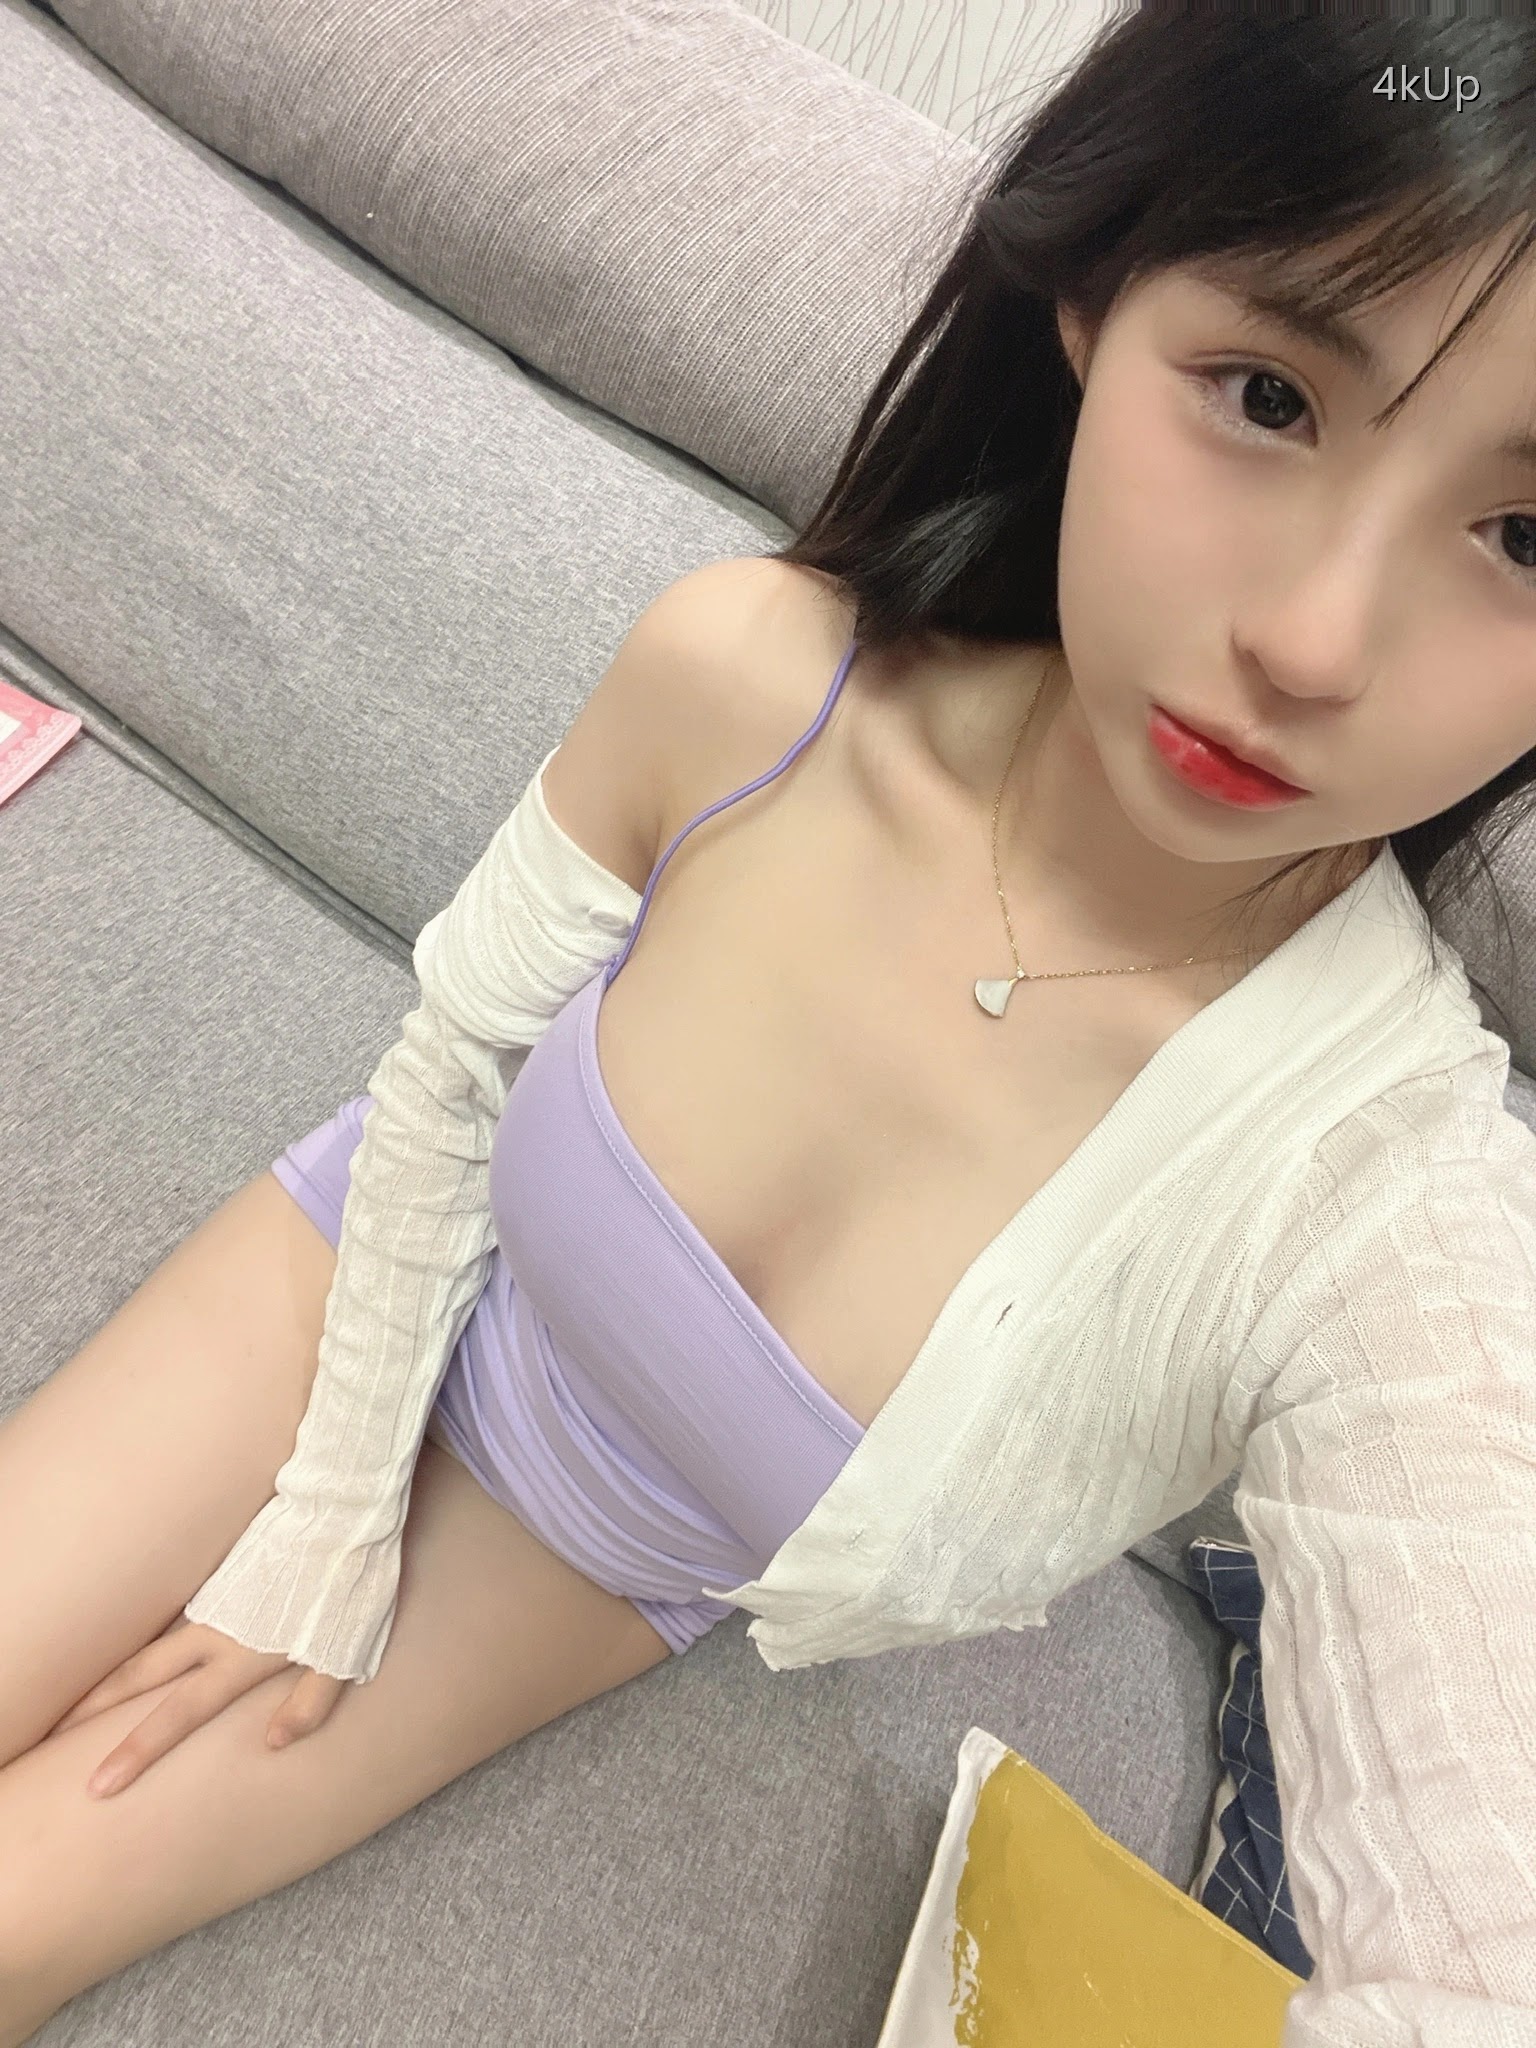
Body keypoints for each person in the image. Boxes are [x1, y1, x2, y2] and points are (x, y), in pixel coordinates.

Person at [2, 9, 1534, 2045]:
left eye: (1528, 536)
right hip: (365, 1259)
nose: (1313, 640)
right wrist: (329, 1500)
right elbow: (457, 1065)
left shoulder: (1382, 1208)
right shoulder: (749, 678)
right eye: (1268, 395)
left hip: (584, 1545)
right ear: (1092, 297)